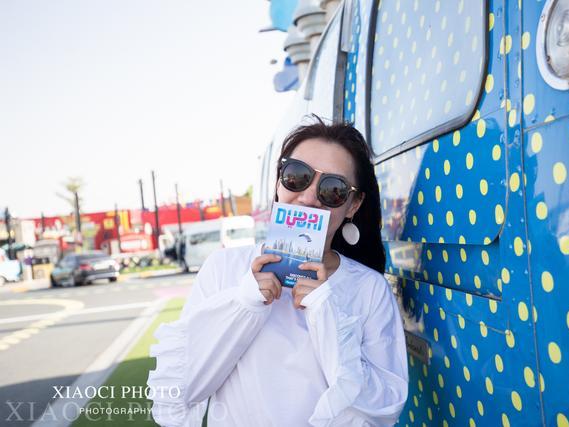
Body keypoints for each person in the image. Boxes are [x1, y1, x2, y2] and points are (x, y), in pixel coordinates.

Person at [147, 117, 409, 426]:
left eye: (333, 189)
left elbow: (384, 407)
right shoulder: (223, 267)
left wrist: (328, 319)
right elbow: (181, 394)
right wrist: (243, 304)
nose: (308, 198)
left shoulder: (370, 288)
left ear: (353, 205)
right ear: (278, 182)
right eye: (297, 176)